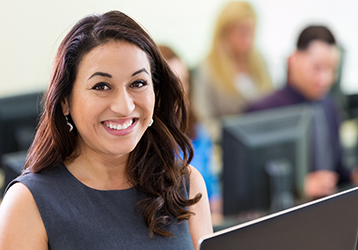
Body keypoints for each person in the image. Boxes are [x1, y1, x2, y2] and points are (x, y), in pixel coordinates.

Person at [0, 11, 212, 249]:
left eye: (138, 83)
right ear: (65, 101)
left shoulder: (186, 183)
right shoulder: (27, 203)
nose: (125, 106)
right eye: (102, 86)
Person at [246, 25, 347, 200]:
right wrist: (298, 185)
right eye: (317, 68)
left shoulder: (330, 106)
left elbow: (339, 169)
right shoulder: (263, 110)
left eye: (332, 70)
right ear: (293, 61)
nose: (325, 79)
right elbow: (251, 186)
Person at [158, 45, 223, 225]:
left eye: (184, 81)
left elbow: (213, 192)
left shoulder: (199, 132)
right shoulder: (146, 143)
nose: (180, 91)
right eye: (172, 84)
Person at [192, 0, 274, 142]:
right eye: (243, 32)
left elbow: (272, 102)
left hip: (262, 140)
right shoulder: (206, 69)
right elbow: (203, 122)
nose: (248, 39)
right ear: (225, 32)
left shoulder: (260, 61)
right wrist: (237, 133)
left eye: (252, 32)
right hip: (226, 145)